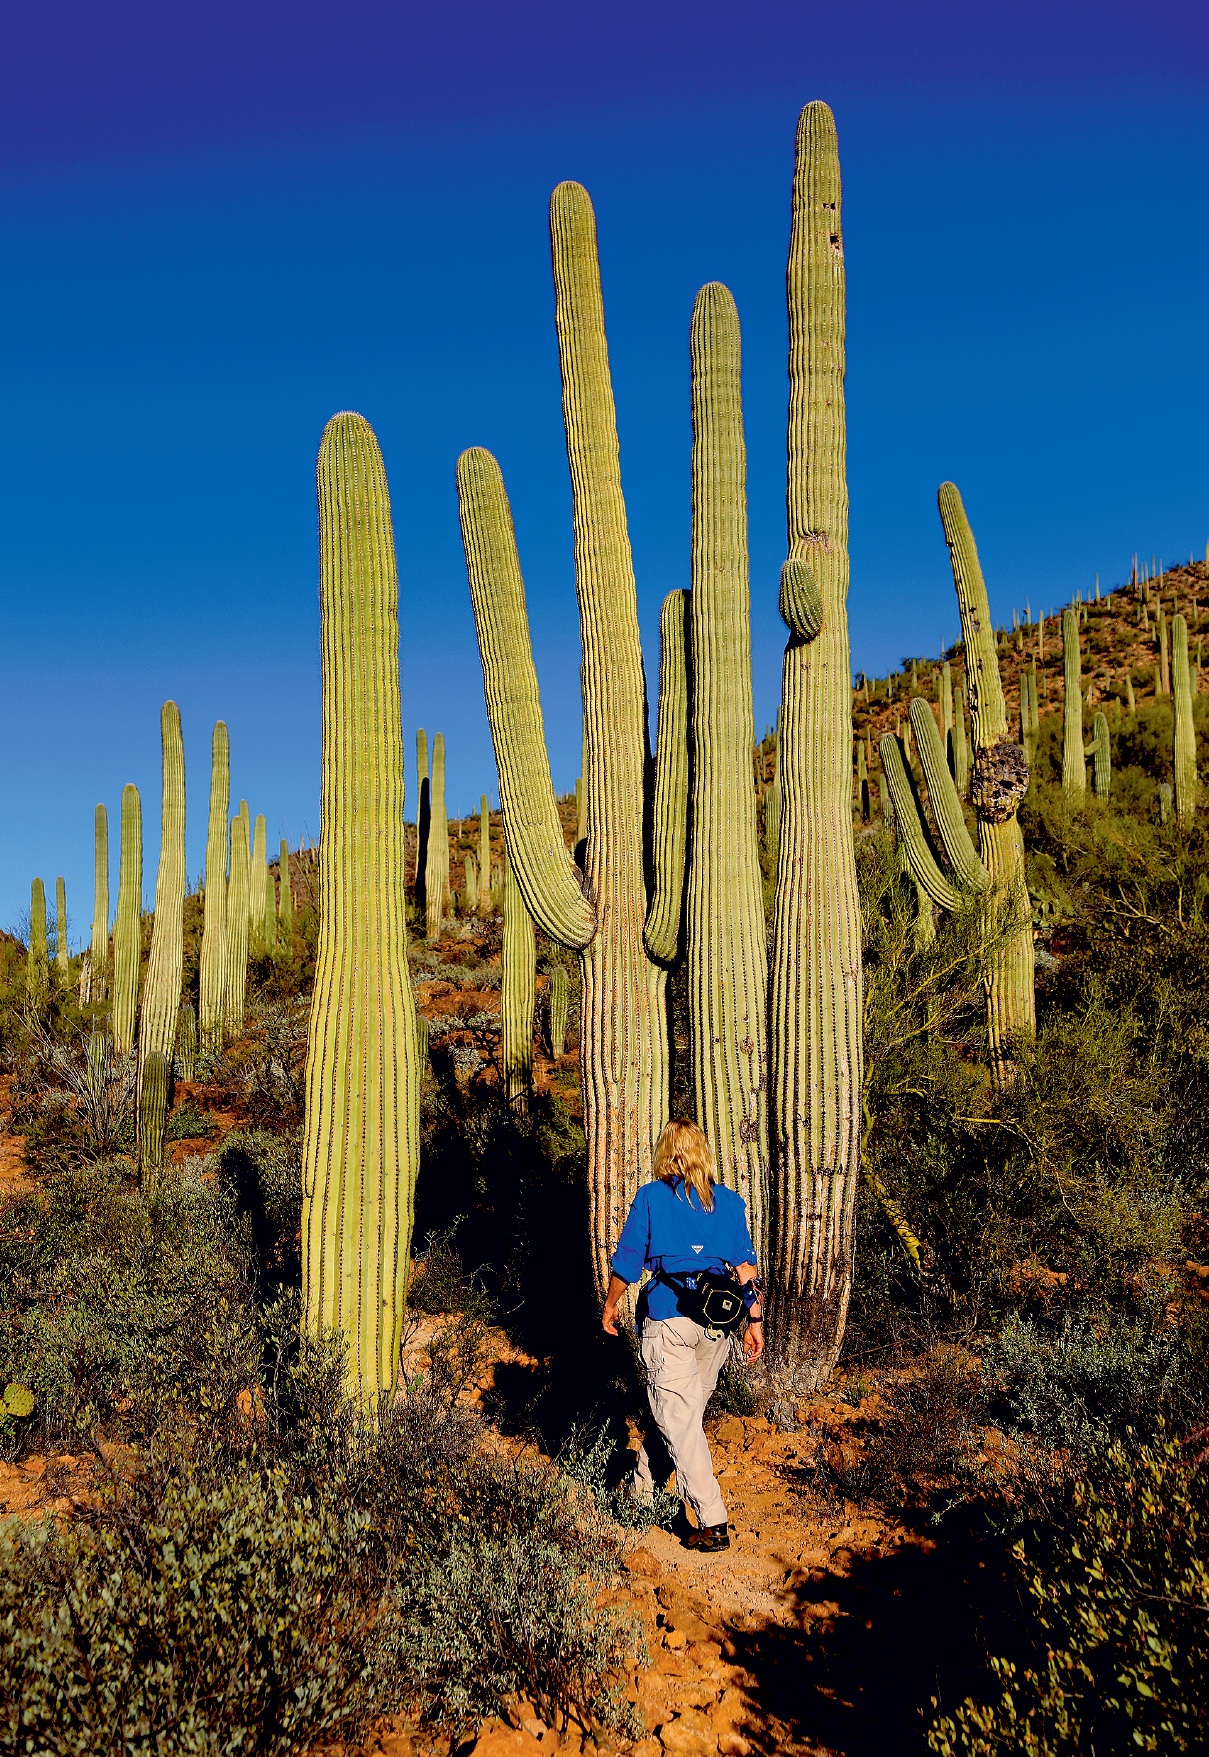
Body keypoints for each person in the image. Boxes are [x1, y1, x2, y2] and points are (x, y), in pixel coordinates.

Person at [601, 1119, 764, 1552]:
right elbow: (746, 1270)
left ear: (667, 1153)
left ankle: (713, 1520)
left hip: (668, 1320)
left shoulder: (652, 1197)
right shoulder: (729, 1203)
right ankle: (640, 1499)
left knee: (681, 1421)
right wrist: (755, 1321)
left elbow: (628, 1261)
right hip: (717, 1326)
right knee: (680, 1418)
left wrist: (611, 1304)